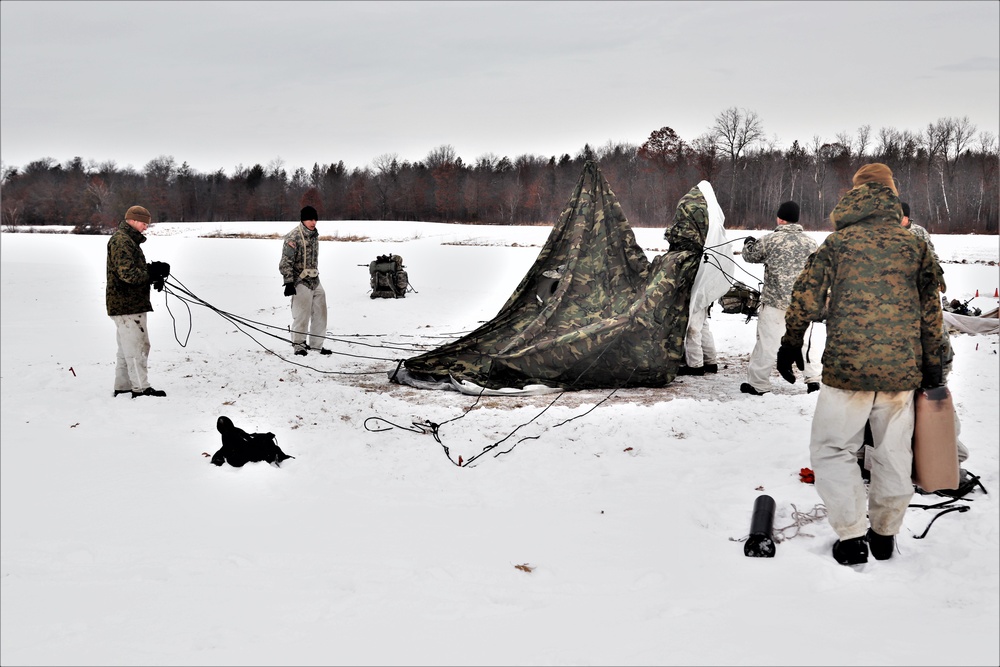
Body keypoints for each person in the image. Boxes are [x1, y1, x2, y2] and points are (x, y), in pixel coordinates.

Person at [778, 163, 944, 566]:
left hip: (847, 370)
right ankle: (885, 534)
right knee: (893, 454)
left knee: (834, 450)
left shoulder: (838, 243)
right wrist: (935, 364)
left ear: (855, 196)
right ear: (890, 195)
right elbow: (931, 312)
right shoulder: (915, 245)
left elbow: (805, 296)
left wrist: (790, 341)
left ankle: (852, 537)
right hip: (901, 372)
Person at [740, 201, 821, 396]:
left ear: (780, 218)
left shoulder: (770, 240)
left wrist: (748, 243)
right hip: (802, 303)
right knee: (805, 343)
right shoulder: (811, 243)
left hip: (775, 302)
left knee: (767, 342)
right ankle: (814, 380)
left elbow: (749, 256)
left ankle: (758, 384)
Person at [106, 205, 170, 398]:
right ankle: (141, 389)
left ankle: (124, 385)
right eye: (143, 223)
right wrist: (150, 274)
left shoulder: (128, 241)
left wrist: (152, 272)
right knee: (138, 347)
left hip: (129, 304)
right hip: (127, 305)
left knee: (127, 347)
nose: (145, 228)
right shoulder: (121, 241)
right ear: (132, 220)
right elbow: (128, 274)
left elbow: (132, 269)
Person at [672, 181, 734, 377]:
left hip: (698, 275)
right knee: (703, 321)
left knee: (693, 325)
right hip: (708, 275)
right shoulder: (714, 224)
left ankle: (695, 365)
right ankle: (711, 361)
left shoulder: (691, 214)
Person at [280, 205, 331, 356]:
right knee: (302, 314)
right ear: (303, 219)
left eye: (315, 219)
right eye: (310, 219)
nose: (313, 222)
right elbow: (285, 261)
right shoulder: (293, 237)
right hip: (300, 281)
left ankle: (316, 345)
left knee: (321, 313)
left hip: (315, 279)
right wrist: (289, 282)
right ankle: (299, 345)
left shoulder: (314, 235)